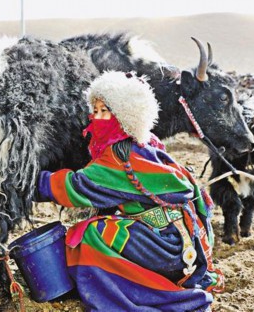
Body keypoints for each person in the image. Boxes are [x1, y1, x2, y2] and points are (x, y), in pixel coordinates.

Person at [34, 71, 224, 312]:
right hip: (180, 239)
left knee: (92, 234)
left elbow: (75, 187)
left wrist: (27, 179)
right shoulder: (147, 144)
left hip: (168, 247)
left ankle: (136, 297)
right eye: (94, 110)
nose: (95, 117)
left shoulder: (122, 156)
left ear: (124, 115)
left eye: (105, 111)